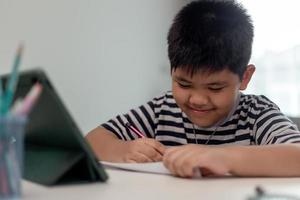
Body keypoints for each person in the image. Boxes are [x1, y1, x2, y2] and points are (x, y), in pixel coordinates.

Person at [86, 0, 300, 178]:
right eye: (184, 84)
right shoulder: (162, 109)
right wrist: (123, 150)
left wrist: (225, 158)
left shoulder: (256, 114)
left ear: (245, 77)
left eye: (215, 87)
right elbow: (92, 140)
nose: (197, 99)